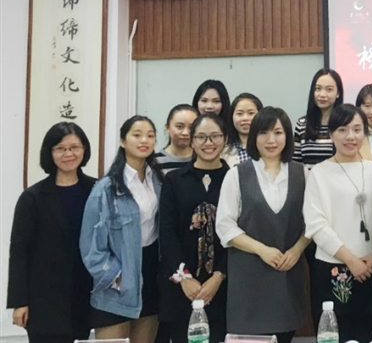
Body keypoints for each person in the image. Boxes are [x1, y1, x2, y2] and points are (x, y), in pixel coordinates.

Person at [216, 107, 309, 343]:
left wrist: (297, 250)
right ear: (254, 136)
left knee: (286, 334)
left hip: (288, 274)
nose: (271, 140)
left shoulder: (302, 173)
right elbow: (225, 226)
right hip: (249, 277)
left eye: (278, 132)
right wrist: (262, 250)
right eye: (264, 132)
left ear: (288, 136)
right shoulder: (236, 174)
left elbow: (313, 222)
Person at [7, 122, 96, 343]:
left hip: (84, 292)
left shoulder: (97, 190)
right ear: (50, 152)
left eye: (74, 147)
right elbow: (19, 252)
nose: (68, 154)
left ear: (84, 150)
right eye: (60, 148)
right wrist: (19, 302)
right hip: (43, 298)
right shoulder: (32, 197)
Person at [80, 116, 163, 342]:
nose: (144, 140)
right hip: (117, 280)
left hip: (150, 276)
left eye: (150, 135)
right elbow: (90, 245)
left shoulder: (158, 181)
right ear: (123, 141)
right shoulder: (106, 188)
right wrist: (116, 276)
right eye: (137, 135)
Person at [304, 104, 372, 342]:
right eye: (342, 130)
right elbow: (316, 224)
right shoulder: (319, 173)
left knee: (367, 334)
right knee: (334, 335)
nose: (351, 136)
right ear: (331, 134)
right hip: (332, 267)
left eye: (357, 129)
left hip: (371, 268)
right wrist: (350, 261)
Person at [159, 114, 229, 343]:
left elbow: (239, 232)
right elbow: (167, 232)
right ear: (192, 140)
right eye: (201, 137)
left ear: (225, 139)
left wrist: (219, 276)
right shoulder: (174, 180)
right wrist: (184, 277)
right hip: (181, 287)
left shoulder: (235, 178)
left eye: (215, 136)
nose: (208, 143)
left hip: (224, 285)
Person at [294, 68, 343, 166]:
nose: (322, 94)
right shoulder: (302, 124)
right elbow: (296, 162)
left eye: (329, 89)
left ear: (338, 93)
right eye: (318, 89)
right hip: (309, 176)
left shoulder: (344, 123)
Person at [154, 104, 199, 174]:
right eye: (179, 126)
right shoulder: (154, 161)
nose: (185, 133)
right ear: (167, 128)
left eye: (191, 127)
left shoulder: (202, 158)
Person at [222, 93, 263, 167]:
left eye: (251, 113)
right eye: (239, 114)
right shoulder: (222, 151)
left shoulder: (268, 147)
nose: (245, 118)